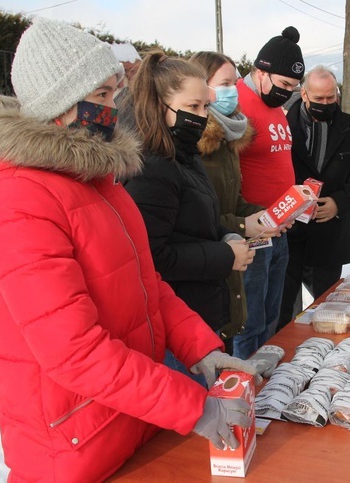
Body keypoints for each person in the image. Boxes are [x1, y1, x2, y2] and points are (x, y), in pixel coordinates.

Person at [0, 18, 256, 482]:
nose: (113, 106)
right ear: (58, 105)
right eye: (100, 95)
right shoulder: (17, 199)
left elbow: (145, 284)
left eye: (115, 91)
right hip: (74, 444)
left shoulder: (96, 181)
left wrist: (200, 349)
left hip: (128, 419)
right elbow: (73, 352)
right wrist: (191, 405)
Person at [122, 52, 255, 377]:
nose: (201, 116)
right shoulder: (152, 167)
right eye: (192, 107)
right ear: (159, 106)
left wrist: (226, 236)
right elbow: (153, 259)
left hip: (199, 317)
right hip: (177, 333)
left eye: (205, 107)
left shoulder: (184, 153)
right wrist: (224, 255)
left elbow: (193, 225)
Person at [189, 51, 279, 348]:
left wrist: (267, 216)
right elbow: (197, 218)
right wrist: (244, 225)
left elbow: (232, 200)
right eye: (225, 83)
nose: (233, 90)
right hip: (207, 268)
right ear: (202, 87)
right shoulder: (194, 144)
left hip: (230, 259)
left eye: (235, 82)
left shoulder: (229, 136)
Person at [278, 65, 350, 330]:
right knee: (284, 309)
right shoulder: (283, 126)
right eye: (319, 99)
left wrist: (339, 203)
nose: (325, 103)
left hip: (330, 233)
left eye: (331, 98)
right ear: (304, 95)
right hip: (290, 232)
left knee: (330, 311)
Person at [233, 26, 305, 359]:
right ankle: (244, 383)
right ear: (261, 73)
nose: (288, 93)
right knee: (250, 320)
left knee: (272, 312)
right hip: (253, 230)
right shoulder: (236, 102)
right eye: (285, 85)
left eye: (293, 87)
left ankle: (265, 378)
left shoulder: (274, 106)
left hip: (281, 228)